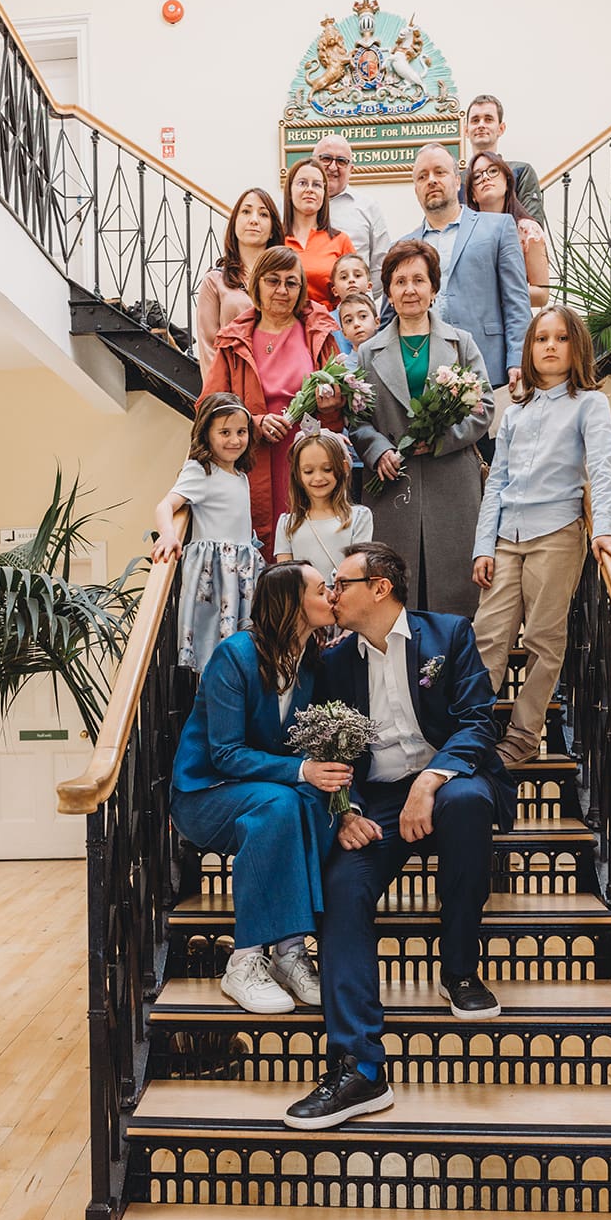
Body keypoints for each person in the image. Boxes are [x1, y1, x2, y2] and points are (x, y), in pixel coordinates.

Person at [283, 542, 517, 1130]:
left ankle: (460, 971)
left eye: (341, 583)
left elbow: (475, 722)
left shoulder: (449, 636)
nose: (331, 594)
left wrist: (430, 782)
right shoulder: (333, 662)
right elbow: (322, 747)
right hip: (375, 801)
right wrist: (344, 809)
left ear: (380, 588)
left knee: (465, 804)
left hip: (446, 780)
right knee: (341, 886)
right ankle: (359, 1066)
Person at [171, 562, 349, 1014]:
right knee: (282, 803)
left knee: (305, 805)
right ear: (291, 603)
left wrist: (345, 804)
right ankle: (245, 959)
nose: (331, 594)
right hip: (207, 794)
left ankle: (289, 954)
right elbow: (225, 753)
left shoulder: (311, 662)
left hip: (271, 793)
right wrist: (303, 771)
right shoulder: (235, 656)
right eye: (321, 588)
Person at [472, 307, 611, 767]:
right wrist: (483, 545)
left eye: (561, 338)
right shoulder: (516, 411)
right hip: (506, 537)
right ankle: (470, 730)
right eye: (542, 339)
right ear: (531, 349)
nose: (551, 346)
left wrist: (606, 529)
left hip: (556, 533)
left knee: (543, 638)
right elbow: (495, 481)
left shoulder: (589, 404)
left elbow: (601, 470)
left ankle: (522, 736)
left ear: (576, 347)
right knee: (487, 636)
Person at [349, 239, 493, 616]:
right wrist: (378, 448)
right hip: (393, 487)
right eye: (399, 281)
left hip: (452, 486)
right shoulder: (368, 351)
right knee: (396, 598)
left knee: (455, 603)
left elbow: (484, 407)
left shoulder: (461, 344)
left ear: (433, 288)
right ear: (389, 292)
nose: (410, 289)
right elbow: (358, 419)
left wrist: (441, 439)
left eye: (418, 280)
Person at [200, 245, 342, 561]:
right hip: (252, 462)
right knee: (262, 557)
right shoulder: (233, 340)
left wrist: (332, 405)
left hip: (309, 461)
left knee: (311, 556)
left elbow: (340, 416)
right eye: (272, 280)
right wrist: (254, 422)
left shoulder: (318, 332)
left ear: (302, 288)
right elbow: (208, 408)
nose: (282, 290)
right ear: (257, 284)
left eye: (291, 282)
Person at [395, 143, 530, 397]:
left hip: (491, 369)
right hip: (427, 378)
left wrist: (518, 358)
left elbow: (516, 300)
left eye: (439, 172)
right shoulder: (405, 247)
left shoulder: (498, 228)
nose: (431, 180)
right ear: (416, 190)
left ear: (457, 181)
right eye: (422, 177)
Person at [151, 393, 264, 673]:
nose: (235, 440)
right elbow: (165, 505)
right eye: (224, 432)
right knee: (214, 642)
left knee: (244, 641)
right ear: (207, 434)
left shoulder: (241, 476)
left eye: (241, 432)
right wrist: (168, 535)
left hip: (242, 569)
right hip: (217, 571)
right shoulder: (200, 471)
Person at [195, 188, 284, 379]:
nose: (254, 220)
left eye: (263, 214)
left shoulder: (286, 282)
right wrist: (224, 402)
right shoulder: (215, 281)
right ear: (235, 223)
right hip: (233, 390)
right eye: (246, 211)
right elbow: (209, 348)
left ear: (272, 231)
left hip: (279, 386)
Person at [274, 430, 373, 583]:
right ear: (298, 475)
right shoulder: (287, 524)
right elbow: (285, 580)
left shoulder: (360, 517)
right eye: (308, 471)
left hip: (346, 600)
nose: (318, 478)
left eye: (327, 469)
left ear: (344, 468)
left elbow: (358, 571)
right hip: (303, 604)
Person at [466, 151, 550, 308]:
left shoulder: (528, 230)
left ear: (507, 182)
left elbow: (542, 294)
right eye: (477, 176)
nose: (485, 177)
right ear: (473, 195)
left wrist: (495, 291)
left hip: (514, 321)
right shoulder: (464, 233)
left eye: (492, 171)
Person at [313, 134, 391, 298]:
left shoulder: (368, 207)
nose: (333, 167)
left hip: (354, 314)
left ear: (351, 169)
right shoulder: (289, 206)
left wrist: (361, 299)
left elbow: (381, 266)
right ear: (313, 162)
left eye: (341, 161)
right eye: (326, 159)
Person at [282, 159, 356, 309]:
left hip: (330, 326)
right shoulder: (274, 239)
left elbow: (356, 294)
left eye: (316, 185)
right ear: (289, 191)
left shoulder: (340, 241)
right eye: (302, 183)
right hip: (284, 326)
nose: (310, 190)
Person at [462, 94, 544, 223]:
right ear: (466, 130)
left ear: (501, 128)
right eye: (475, 120)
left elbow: (533, 227)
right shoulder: (457, 180)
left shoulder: (521, 172)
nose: (481, 125)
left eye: (488, 119)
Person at [328, 252, 374, 355]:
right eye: (344, 277)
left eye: (357, 275)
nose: (351, 280)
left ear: (369, 286)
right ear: (334, 291)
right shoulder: (329, 322)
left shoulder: (375, 315)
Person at [337, 291, 380, 364]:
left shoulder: (391, 355)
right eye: (349, 320)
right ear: (344, 333)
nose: (356, 324)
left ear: (377, 322)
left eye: (363, 316)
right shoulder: (344, 369)